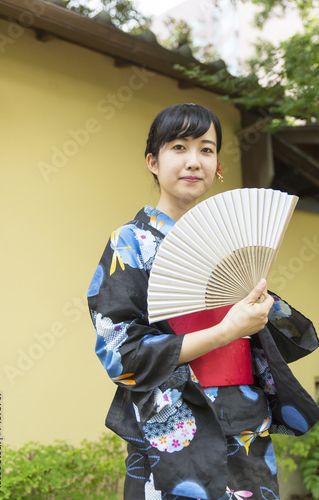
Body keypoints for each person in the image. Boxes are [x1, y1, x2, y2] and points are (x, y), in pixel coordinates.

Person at [87, 103, 319, 500]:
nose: (194, 161)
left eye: (207, 149)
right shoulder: (129, 243)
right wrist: (226, 331)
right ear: (153, 162)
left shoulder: (231, 244)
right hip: (171, 425)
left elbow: (283, 337)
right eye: (179, 147)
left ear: (218, 165)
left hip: (245, 420)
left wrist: (261, 309)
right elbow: (119, 353)